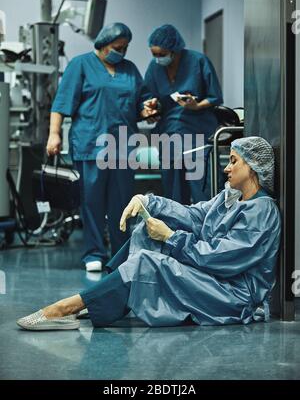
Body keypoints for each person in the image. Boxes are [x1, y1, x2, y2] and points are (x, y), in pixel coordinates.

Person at [17, 137, 281, 330]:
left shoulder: (261, 211)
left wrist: (170, 237)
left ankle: (68, 307)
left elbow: (220, 259)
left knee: (147, 262)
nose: (226, 168)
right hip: (214, 275)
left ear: (253, 168)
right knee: (145, 232)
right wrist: (149, 202)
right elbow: (195, 215)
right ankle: (101, 294)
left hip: (232, 294)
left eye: (234, 161)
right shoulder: (231, 197)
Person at [47, 22, 155, 272]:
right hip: (90, 144)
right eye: (118, 47)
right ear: (104, 45)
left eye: (126, 47)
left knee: (122, 204)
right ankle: (93, 253)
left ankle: (121, 254)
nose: (122, 52)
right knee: (92, 202)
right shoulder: (80, 65)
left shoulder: (129, 70)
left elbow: (140, 102)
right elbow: (61, 103)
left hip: (123, 147)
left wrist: (147, 109)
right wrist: (54, 134)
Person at [143, 24, 223, 204]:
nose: (157, 59)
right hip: (169, 137)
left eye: (161, 54)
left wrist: (197, 106)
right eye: (154, 55)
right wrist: (152, 106)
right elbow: (148, 95)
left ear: (174, 50)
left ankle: (207, 231)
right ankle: (176, 232)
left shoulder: (198, 61)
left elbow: (215, 97)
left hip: (198, 136)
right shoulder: (154, 68)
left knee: (204, 193)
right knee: (173, 196)